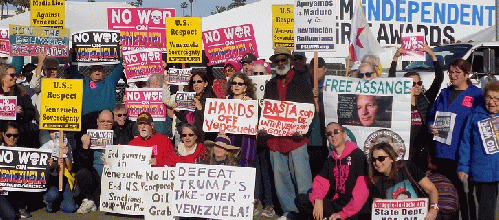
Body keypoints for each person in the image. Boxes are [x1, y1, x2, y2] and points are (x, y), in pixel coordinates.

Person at [427, 59, 483, 220]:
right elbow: (432, 116)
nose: (452, 76)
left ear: (467, 74)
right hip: (442, 152)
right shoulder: (444, 93)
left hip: (462, 154)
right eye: (450, 72)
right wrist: (430, 126)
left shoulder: (476, 94)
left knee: (465, 195)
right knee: (447, 195)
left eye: (457, 72)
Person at [263, 46, 314, 220]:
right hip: (275, 140)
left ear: (290, 62)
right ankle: (289, 211)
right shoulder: (269, 84)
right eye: (276, 61)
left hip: (296, 140)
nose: (280, 63)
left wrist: (304, 130)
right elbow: (266, 111)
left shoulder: (302, 83)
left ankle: (306, 211)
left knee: (302, 178)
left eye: (283, 60)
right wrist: (263, 127)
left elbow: (310, 110)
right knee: (281, 179)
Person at [295, 122, 370, 220]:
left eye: (336, 132)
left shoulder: (358, 155)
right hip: (337, 204)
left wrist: (343, 214)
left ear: (343, 135)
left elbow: (362, 192)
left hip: (355, 209)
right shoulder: (330, 160)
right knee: (301, 200)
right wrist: (318, 199)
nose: (333, 135)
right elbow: (320, 182)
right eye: (329, 134)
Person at [389, 44, 444, 170]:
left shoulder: (426, 99)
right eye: (412, 84)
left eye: (419, 83)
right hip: (404, 150)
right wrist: (395, 58)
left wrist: (432, 55)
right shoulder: (399, 100)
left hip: (423, 151)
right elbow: (391, 80)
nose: (417, 86)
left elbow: (439, 79)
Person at [457, 81, 499, 220]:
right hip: (484, 172)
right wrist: (463, 167)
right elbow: (465, 144)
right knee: (486, 212)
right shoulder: (475, 116)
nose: (492, 102)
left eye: (496, 99)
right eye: (489, 97)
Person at [369, 142, 439, 220]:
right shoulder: (375, 181)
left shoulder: (408, 167)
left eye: (381, 158)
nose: (377, 163)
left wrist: (433, 210)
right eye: (373, 160)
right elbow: (380, 210)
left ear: (391, 158)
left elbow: (431, 189)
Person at [74, 110, 114, 214]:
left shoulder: (117, 136)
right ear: (97, 122)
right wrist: (85, 147)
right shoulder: (89, 136)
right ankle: (89, 198)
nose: (105, 124)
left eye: (109, 122)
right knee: (82, 173)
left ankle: (99, 198)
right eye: (102, 121)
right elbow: (81, 163)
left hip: (112, 176)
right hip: (94, 176)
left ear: (113, 122)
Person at [1, 122, 32, 218]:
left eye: (15, 135)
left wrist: (50, 163)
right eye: (8, 135)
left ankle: (19, 206)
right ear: (3, 134)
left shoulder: (24, 150)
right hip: (1, 191)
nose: (11, 138)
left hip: (15, 190)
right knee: (11, 216)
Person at [173, 71, 217, 141]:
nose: (196, 84)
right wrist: (178, 111)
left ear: (205, 83)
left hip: (204, 140)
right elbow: (185, 119)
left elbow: (212, 123)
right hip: (189, 139)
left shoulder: (211, 100)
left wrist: (200, 109)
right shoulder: (189, 98)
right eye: (194, 82)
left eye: (199, 82)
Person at [41, 131, 78, 213]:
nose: (57, 133)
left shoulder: (67, 145)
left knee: (70, 208)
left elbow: (70, 168)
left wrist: (67, 155)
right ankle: (47, 200)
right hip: (51, 179)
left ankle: (59, 202)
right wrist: (54, 164)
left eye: (59, 131)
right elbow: (41, 169)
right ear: (50, 134)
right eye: (53, 131)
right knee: (53, 195)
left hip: (64, 178)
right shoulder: (46, 147)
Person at [0, 64, 36, 148]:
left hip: (18, 137)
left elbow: (31, 113)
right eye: (12, 75)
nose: (15, 77)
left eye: (16, 75)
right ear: (2, 77)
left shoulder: (21, 92)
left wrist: (22, 112)